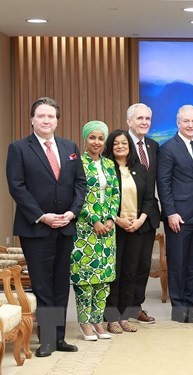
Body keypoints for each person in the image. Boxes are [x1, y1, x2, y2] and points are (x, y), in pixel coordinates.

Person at [6, 97, 86, 357]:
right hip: (36, 228)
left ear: (56, 120)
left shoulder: (69, 147)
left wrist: (72, 212)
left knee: (61, 284)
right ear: (32, 119)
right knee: (43, 285)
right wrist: (42, 216)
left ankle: (60, 338)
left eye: (51, 116)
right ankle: (48, 341)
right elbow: (17, 187)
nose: (46, 120)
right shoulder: (19, 149)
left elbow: (79, 185)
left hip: (65, 226)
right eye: (41, 116)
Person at [158, 105, 193, 323]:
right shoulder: (168, 148)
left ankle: (191, 305)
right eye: (186, 121)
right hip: (179, 216)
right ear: (178, 122)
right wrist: (170, 212)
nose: (190, 125)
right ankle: (178, 308)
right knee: (178, 262)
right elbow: (163, 183)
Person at [103, 129, 157, 333]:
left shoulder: (140, 168)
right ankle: (111, 317)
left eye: (124, 143)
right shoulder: (107, 168)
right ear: (111, 146)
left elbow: (149, 199)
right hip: (114, 228)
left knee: (130, 272)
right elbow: (103, 200)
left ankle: (125, 316)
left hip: (137, 227)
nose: (120, 146)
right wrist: (117, 220)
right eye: (116, 143)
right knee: (114, 273)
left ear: (130, 146)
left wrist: (141, 220)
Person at [71, 120, 119, 341]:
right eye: (92, 137)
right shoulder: (76, 164)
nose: (97, 142)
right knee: (85, 281)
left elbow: (115, 195)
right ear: (85, 139)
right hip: (85, 231)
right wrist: (94, 220)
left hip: (108, 231)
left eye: (100, 138)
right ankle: (84, 323)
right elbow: (76, 197)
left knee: (103, 280)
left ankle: (98, 321)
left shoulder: (109, 165)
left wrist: (109, 218)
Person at [125, 103, 160, 324]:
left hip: (147, 216)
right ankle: (121, 310)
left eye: (147, 118)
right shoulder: (120, 144)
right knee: (126, 266)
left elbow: (153, 184)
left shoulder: (154, 146)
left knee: (143, 265)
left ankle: (136, 307)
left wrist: (144, 216)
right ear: (129, 121)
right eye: (140, 118)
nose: (144, 122)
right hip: (126, 218)